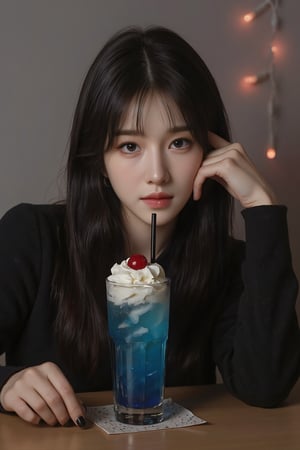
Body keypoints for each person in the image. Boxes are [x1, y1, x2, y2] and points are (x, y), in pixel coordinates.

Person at [0, 25, 299, 428]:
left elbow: (266, 387)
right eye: (129, 146)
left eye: (179, 143)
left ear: (210, 150)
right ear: (98, 159)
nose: (157, 174)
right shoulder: (32, 236)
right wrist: (7, 383)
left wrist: (263, 209)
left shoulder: (226, 264)